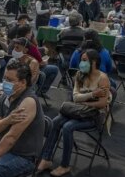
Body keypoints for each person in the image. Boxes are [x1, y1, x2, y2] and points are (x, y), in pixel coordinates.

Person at [37, 49, 111, 177]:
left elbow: (102, 104)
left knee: (67, 127)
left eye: (84, 60)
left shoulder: (103, 78)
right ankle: (46, 158)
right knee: (55, 121)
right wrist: (93, 94)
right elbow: (75, 97)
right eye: (81, 60)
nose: (81, 63)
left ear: (94, 62)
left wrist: (84, 102)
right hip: (78, 111)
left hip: (95, 115)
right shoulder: (79, 74)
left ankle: (65, 165)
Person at [0, 37, 40, 125]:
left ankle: (2, 127)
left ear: (25, 50)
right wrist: (2, 89)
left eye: (17, 48)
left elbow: (29, 84)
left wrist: (9, 91)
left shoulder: (32, 63)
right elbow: (5, 79)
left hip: (21, 95)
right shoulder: (13, 60)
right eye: (14, 47)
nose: (14, 50)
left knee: (9, 110)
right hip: (7, 93)